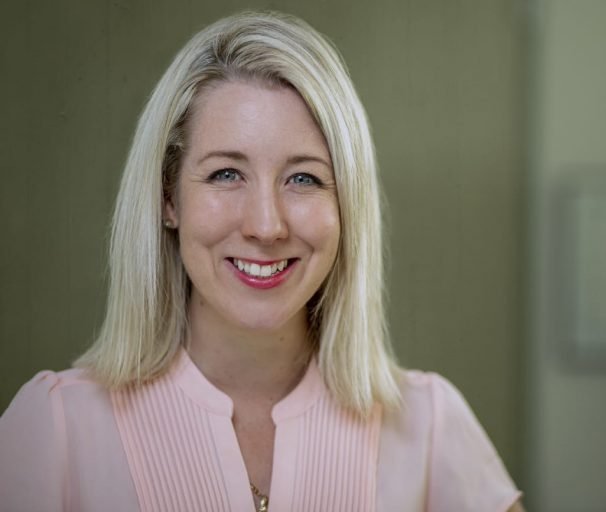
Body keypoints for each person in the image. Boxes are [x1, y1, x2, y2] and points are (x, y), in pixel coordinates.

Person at [0, 11, 523, 512]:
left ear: (346, 208)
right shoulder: (55, 427)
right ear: (168, 197)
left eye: (304, 178)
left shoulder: (431, 426)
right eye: (227, 174)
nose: (266, 226)